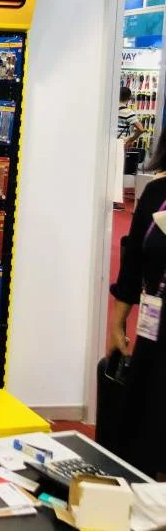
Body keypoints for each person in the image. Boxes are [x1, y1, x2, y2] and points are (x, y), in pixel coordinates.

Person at [108, 127, 166, 480]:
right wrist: (118, 323)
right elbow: (132, 266)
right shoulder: (157, 192)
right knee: (146, 435)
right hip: (155, 331)